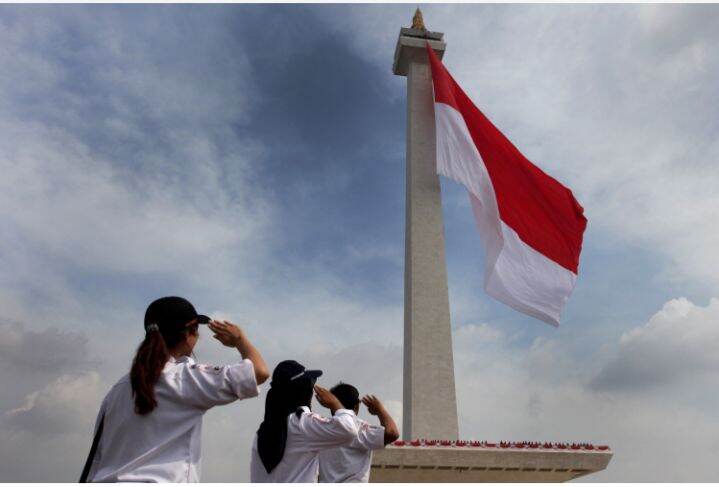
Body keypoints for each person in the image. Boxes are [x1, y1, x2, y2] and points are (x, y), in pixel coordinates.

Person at [80, 296, 269, 482]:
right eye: (196, 330)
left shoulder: (116, 391)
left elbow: (97, 459)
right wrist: (239, 339)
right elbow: (259, 372)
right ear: (188, 334)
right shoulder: (183, 377)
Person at [250, 360, 360, 482]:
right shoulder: (303, 424)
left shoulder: (262, 432)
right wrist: (335, 403)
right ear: (302, 391)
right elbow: (349, 430)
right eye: (309, 386)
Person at [318, 383, 400, 483]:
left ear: (330, 405)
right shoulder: (359, 428)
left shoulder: (321, 428)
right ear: (357, 406)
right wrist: (380, 410)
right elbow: (392, 433)